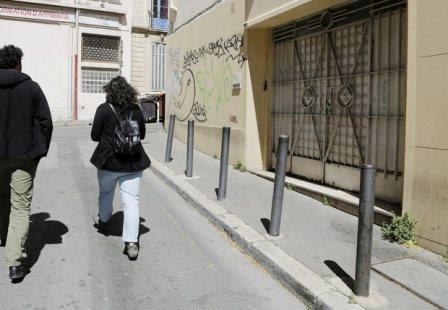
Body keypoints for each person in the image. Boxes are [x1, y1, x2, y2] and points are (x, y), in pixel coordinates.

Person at [0, 45, 53, 280]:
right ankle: (15, 262)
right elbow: (46, 122)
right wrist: (39, 151)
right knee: (20, 206)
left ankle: (5, 236)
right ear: (18, 64)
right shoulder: (31, 88)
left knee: (3, 199)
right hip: (24, 157)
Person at [90, 76, 150, 260]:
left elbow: (94, 136)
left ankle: (104, 222)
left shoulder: (103, 109)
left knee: (106, 193)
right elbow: (143, 134)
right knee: (131, 202)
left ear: (110, 91)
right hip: (133, 162)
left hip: (108, 162)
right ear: (129, 91)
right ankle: (132, 243)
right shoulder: (136, 110)